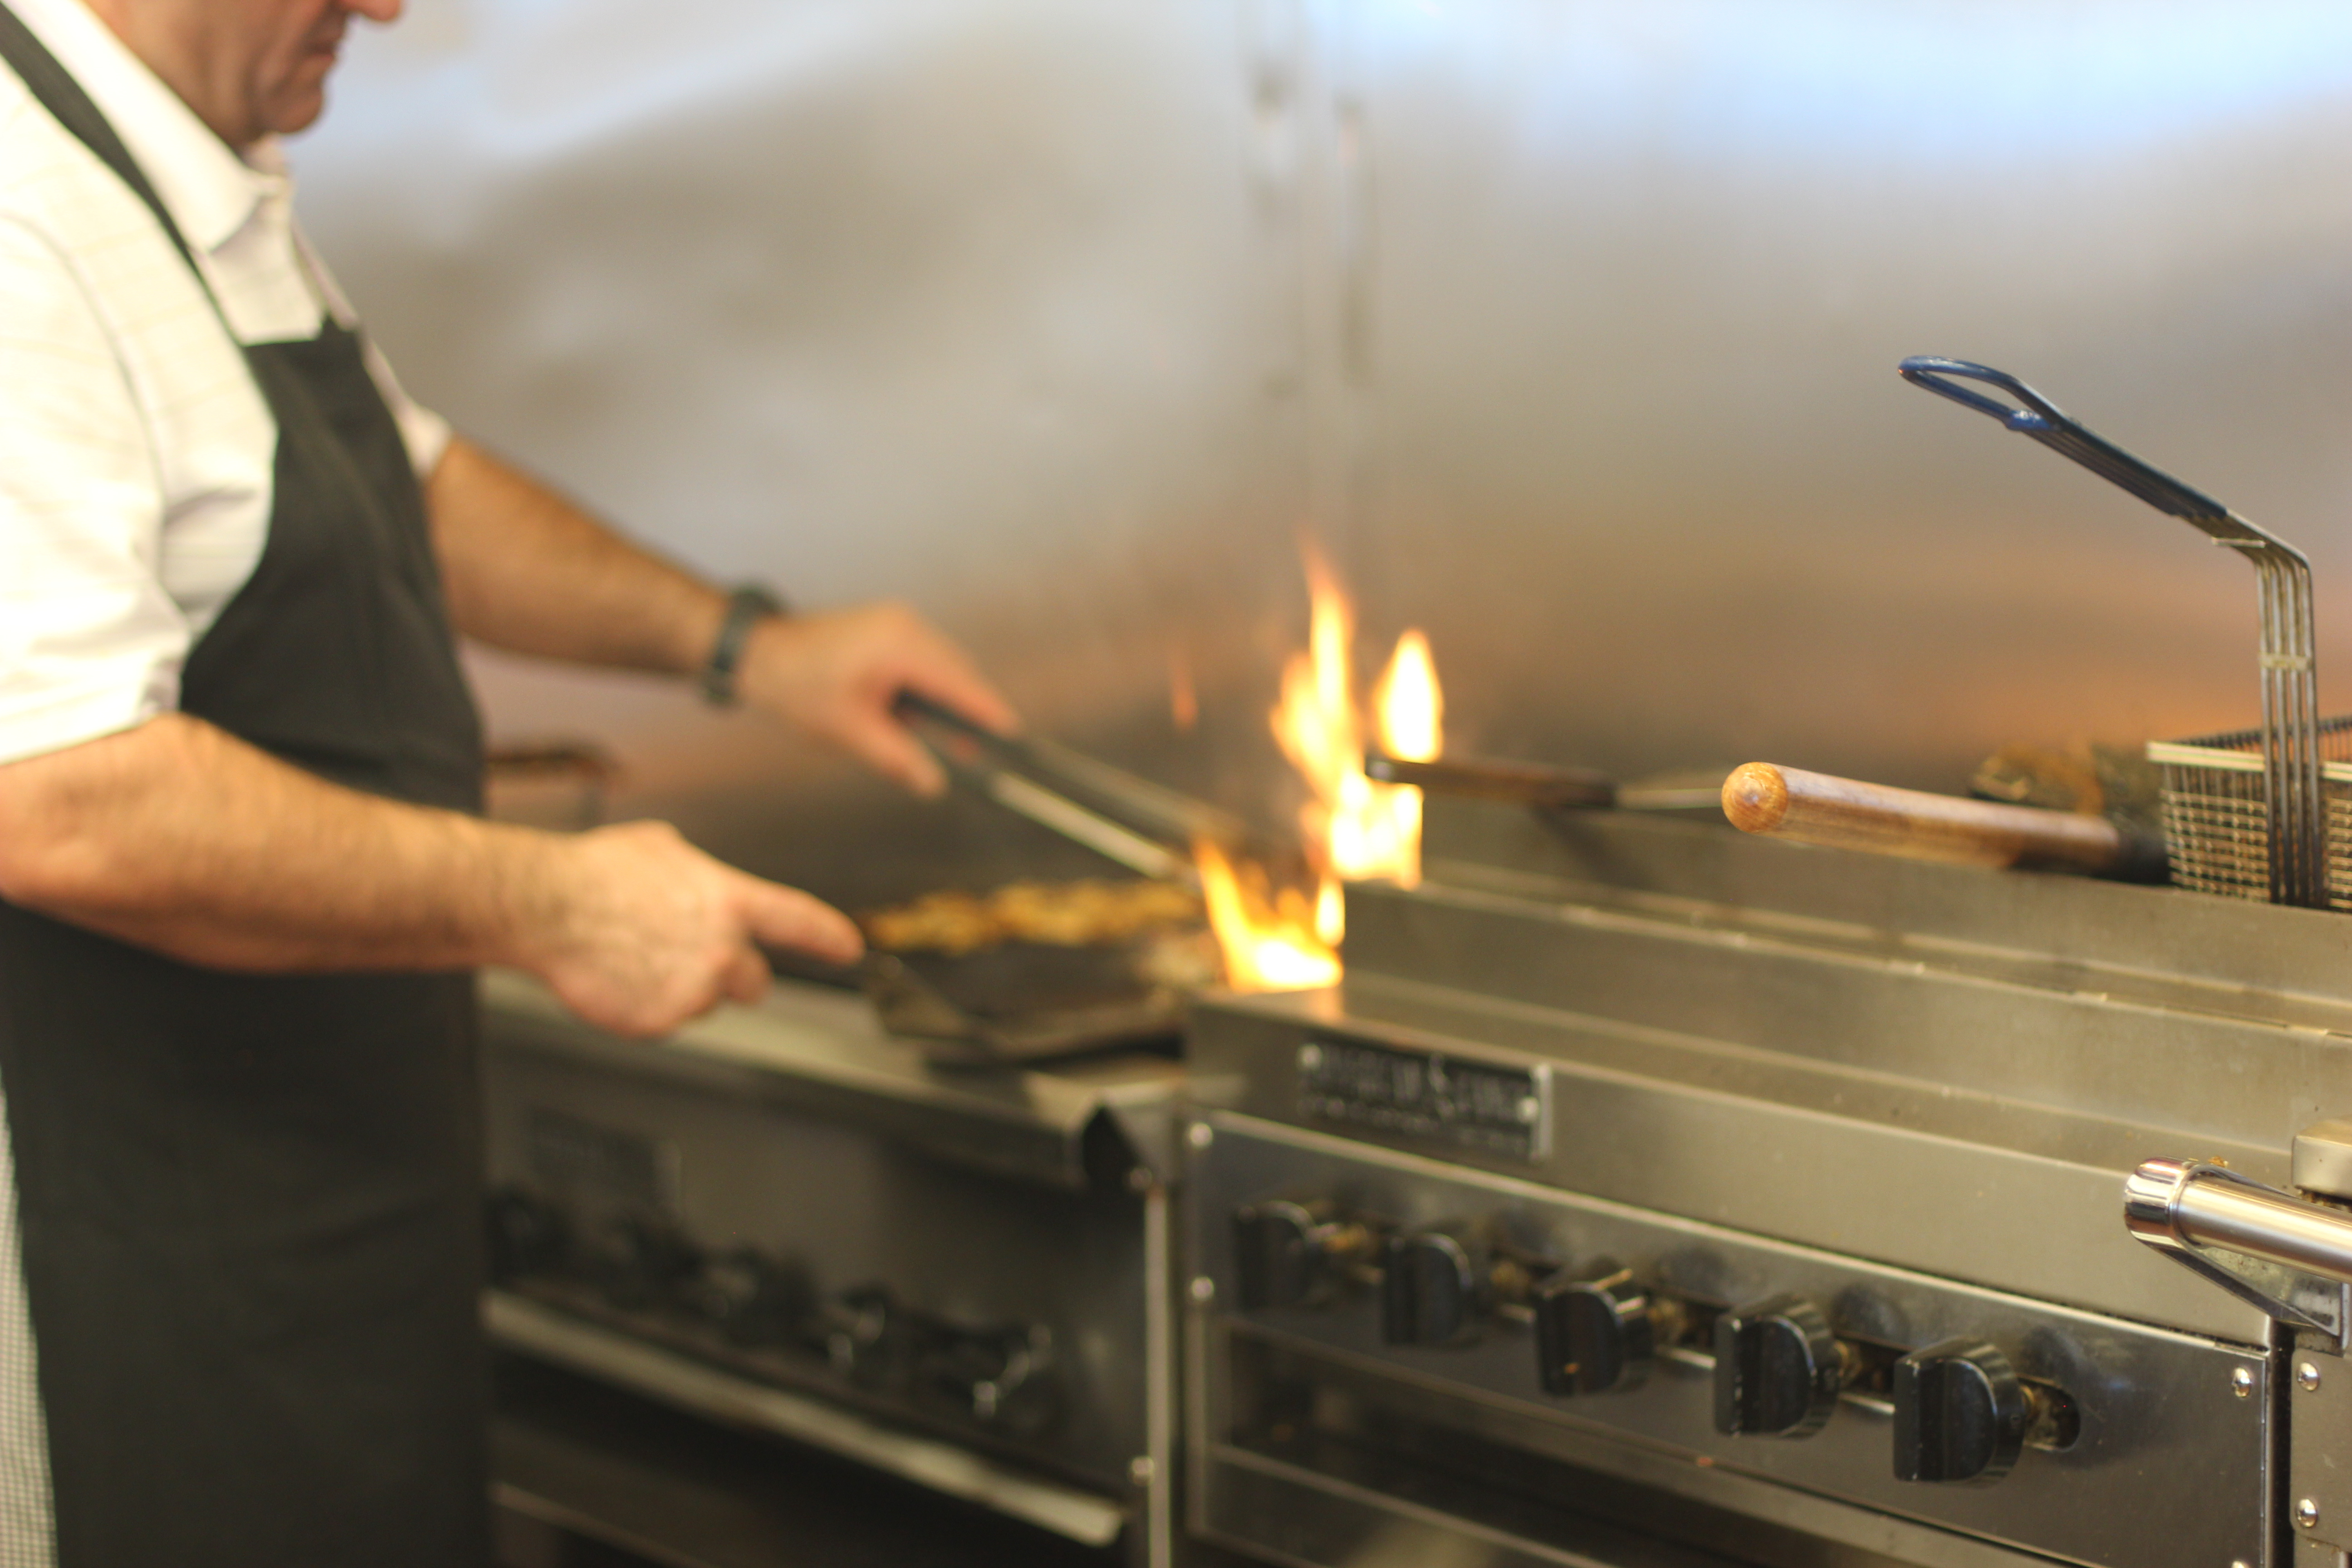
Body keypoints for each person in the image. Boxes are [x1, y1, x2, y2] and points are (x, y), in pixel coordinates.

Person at [0, 0, 1018, 1561]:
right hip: (134, 1251)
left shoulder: (185, 166)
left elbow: (392, 485)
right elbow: (58, 796)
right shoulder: (22, 212)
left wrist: (749, 646)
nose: (391, 5)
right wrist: (556, 900)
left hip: (323, 1202)